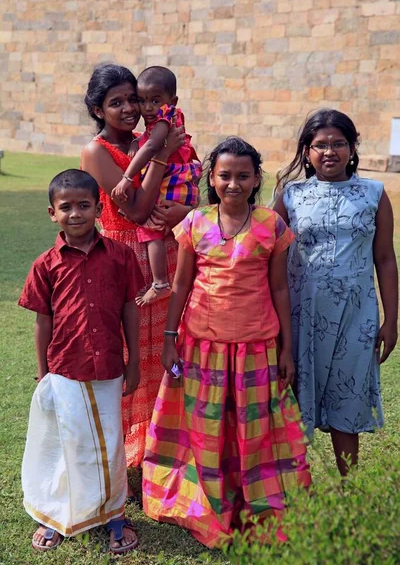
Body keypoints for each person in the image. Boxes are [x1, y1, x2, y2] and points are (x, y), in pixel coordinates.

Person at [142, 137, 311, 548]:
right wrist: (169, 338)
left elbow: (280, 290)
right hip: (202, 345)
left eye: (243, 176)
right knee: (205, 429)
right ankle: (210, 504)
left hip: (257, 346)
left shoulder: (272, 225)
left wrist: (287, 349)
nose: (233, 183)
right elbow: (180, 285)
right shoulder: (195, 223)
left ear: (256, 179)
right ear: (211, 178)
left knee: (253, 430)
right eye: (224, 175)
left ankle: (253, 503)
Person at [19, 170, 140, 554]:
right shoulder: (45, 264)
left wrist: (133, 360)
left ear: (99, 208)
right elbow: (43, 321)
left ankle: (114, 515)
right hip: (64, 368)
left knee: (109, 442)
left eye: (84, 206)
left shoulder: (121, 257)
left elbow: (129, 312)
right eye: (66, 207)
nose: (75, 214)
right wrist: (43, 371)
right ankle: (56, 515)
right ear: (52, 213)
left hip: (108, 366)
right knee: (67, 440)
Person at [274, 109, 398, 476]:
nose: (330, 152)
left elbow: (385, 259)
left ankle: (349, 491)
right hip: (299, 313)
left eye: (339, 143)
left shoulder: (374, 194)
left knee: (346, 398)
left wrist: (391, 320)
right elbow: (263, 247)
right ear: (307, 151)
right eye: (320, 145)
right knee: (291, 397)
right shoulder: (291, 195)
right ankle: (288, 486)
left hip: (354, 315)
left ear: (352, 147)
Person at [81, 64, 191, 475]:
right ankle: (118, 454)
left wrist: (184, 205)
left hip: (166, 254)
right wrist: (161, 155)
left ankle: (163, 448)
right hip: (123, 262)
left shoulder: (150, 136)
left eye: (134, 99)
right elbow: (140, 210)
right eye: (117, 102)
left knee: (165, 353)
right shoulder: (97, 151)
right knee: (128, 357)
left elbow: (185, 191)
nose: (130, 108)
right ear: (98, 109)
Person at [111, 66, 202, 307]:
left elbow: (152, 148)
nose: (147, 108)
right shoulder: (162, 120)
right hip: (175, 180)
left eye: (155, 100)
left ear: (172, 100)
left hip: (174, 182)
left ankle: (160, 282)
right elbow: (149, 142)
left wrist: (127, 178)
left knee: (151, 229)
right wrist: (138, 141)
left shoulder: (166, 117)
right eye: (142, 101)